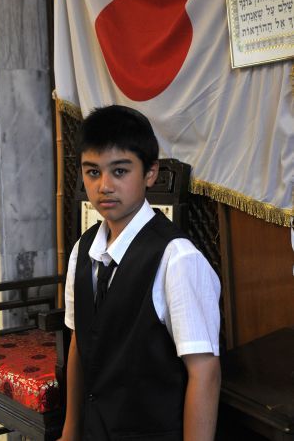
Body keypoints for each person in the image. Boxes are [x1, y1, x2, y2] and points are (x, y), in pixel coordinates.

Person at [59, 105, 221, 441]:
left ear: (149, 173)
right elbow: (80, 341)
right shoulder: (83, 250)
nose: (104, 186)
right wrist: (70, 431)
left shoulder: (176, 260)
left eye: (120, 171)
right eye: (92, 172)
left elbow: (204, 371)